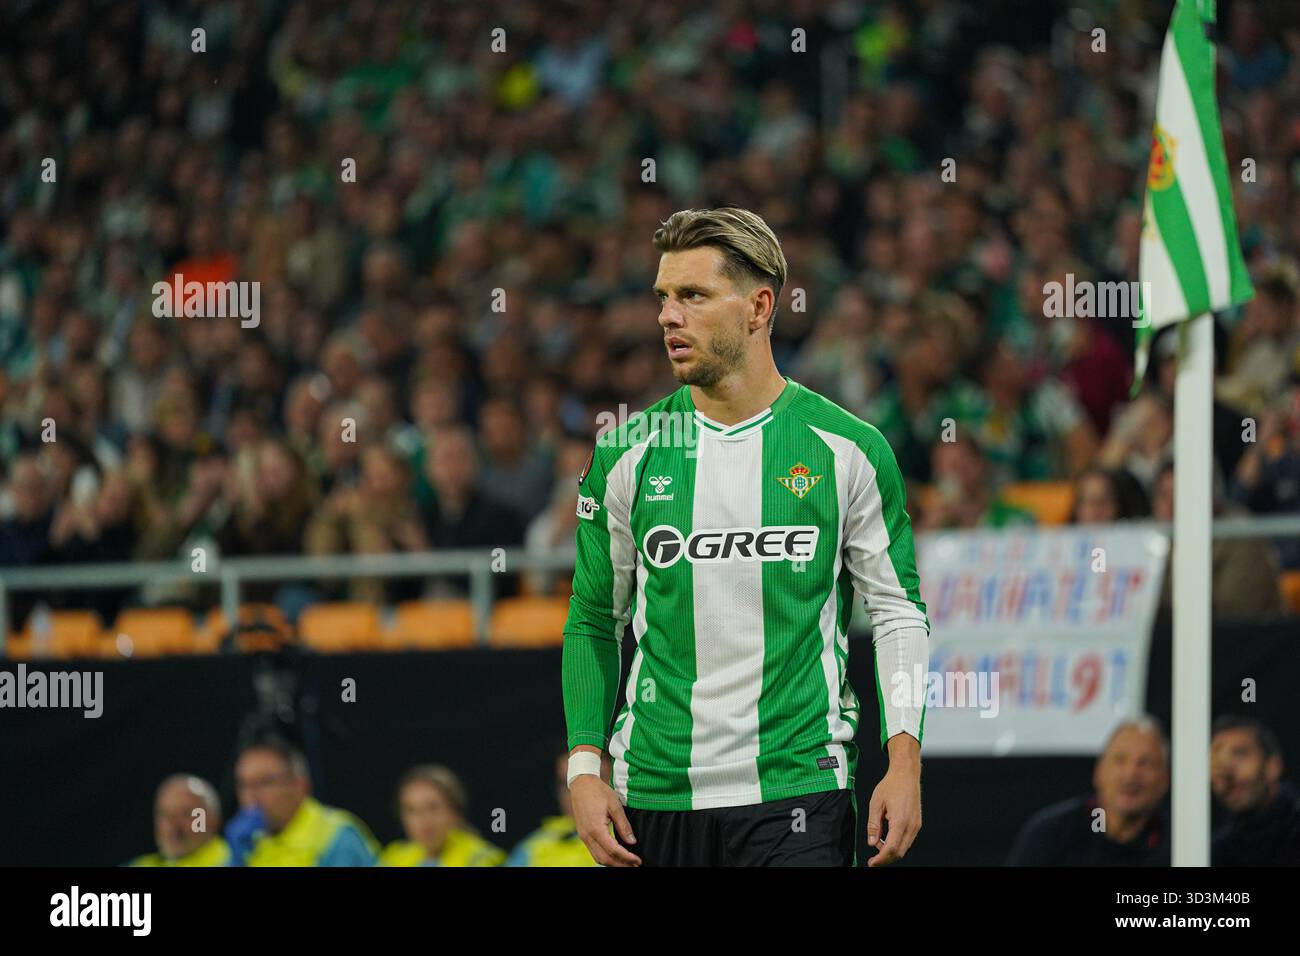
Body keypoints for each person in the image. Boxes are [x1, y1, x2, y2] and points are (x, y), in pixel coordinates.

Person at [563, 207, 929, 867]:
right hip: (656, 793)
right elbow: (593, 617)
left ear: (758, 308)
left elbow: (899, 612)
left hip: (798, 789)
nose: (667, 317)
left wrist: (905, 761)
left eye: (692, 296)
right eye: (663, 298)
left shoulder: (848, 449)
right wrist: (584, 770)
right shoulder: (624, 454)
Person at [1007, 717, 1170, 865]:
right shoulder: (1051, 834)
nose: (1131, 774)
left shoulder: (1180, 843)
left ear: (1165, 780)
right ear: (1098, 772)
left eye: (1145, 763)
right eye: (1120, 760)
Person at [226, 737, 378, 866]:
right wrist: (236, 861)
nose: (252, 796)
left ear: (300, 786)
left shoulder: (336, 836)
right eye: (244, 785)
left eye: (265, 782)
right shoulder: (246, 841)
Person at [1210, 716, 1300, 866]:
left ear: (1273, 766)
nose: (1227, 770)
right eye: (1217, 761)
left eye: (1240, 754)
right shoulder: (1218, 848)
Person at [377, 765, 505, 867]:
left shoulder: (482, 859)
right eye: (412, 810)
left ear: (454, 811)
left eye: (433, 808)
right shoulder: (393, 858)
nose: (423, 820)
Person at [506, 746, 600, 867]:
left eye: (589, 781)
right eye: (566, 784)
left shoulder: (628, 839)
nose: (576, 794)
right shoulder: (532, 848)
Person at [128, 774, 232, 867]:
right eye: (164, 814)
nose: (172, 825)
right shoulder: (140, 864)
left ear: (213, 821)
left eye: (186, 814)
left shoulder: (236, 858)